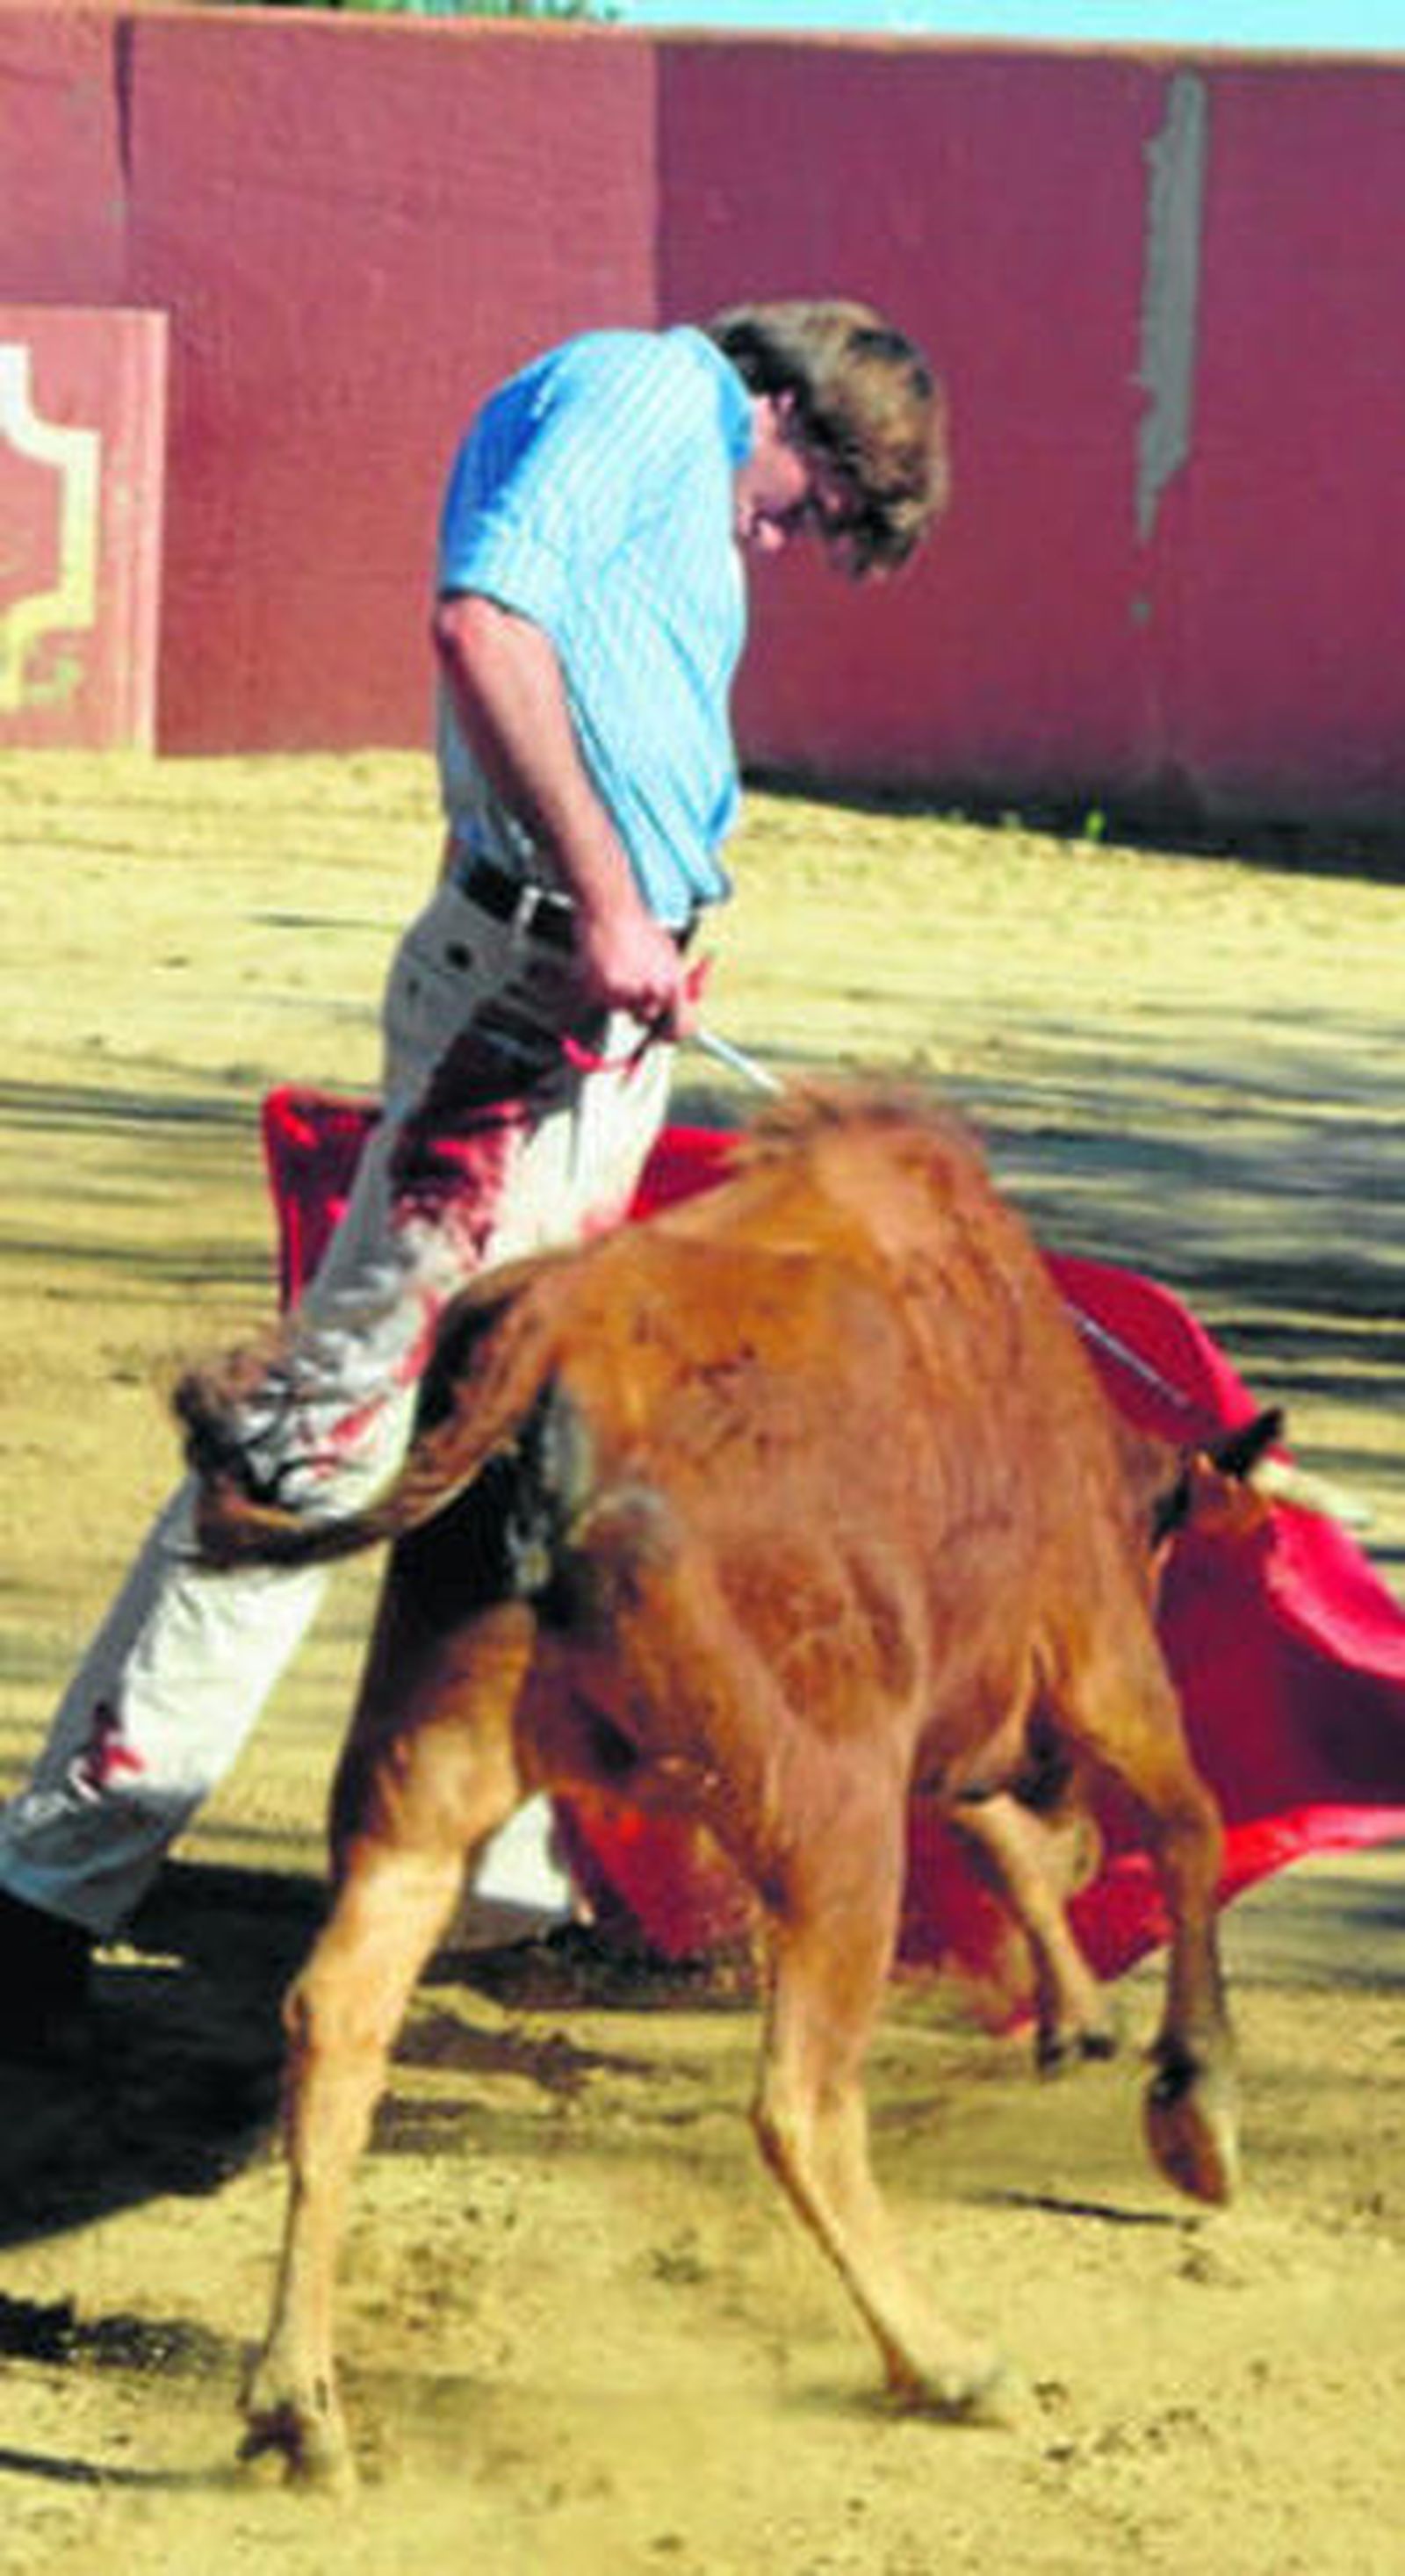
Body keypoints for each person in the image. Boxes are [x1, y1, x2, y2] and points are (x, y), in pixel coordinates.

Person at [0, 299, 947, 2053]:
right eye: (807, 512)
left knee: (509, 1443)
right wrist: (611, 904)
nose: (783, 545)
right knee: (320, 1444)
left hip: (580, 1007)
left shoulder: (664, 433)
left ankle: (494, 1881)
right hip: (534, 1001)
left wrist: (656, 912)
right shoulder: (643, 395)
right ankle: (48, 1887)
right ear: (792, 414)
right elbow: (484, 623)